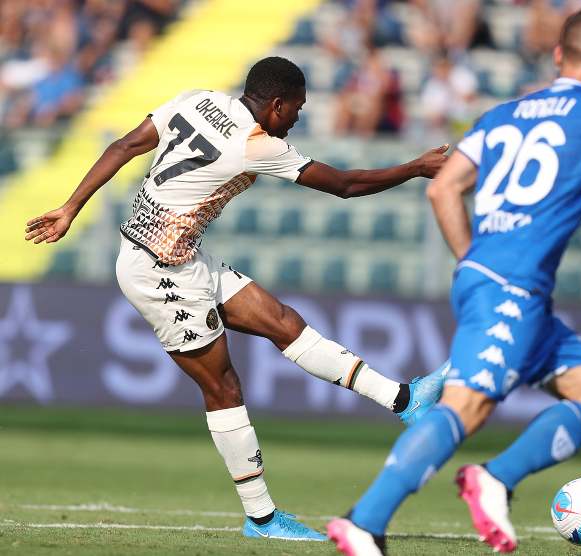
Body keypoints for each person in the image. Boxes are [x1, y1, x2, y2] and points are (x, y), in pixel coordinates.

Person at [327, 8, 581, 554]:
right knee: (465, 407)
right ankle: (364, 522)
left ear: (558, 55)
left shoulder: (504, 113)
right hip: (510, 285)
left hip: (499, 280)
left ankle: (496, 478)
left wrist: (472, 262)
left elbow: (442, 190)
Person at [25, 56, 449, 542]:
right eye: (296, 109)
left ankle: (402, 399)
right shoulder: (258, 145)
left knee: (282, 322)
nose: (297, 118)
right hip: (159, 271)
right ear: (276, 104)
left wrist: (69, 208)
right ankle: (263, 518)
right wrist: (417, 167)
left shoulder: (198, 98)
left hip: (181, 256)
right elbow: (346, 186)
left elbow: (125, 145)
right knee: (223, 388)